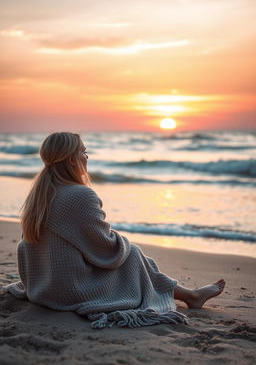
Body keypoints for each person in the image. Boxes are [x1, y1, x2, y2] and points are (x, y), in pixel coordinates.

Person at [5, 132, 225, 329]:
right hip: (69, 292)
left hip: (42, 287)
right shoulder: (80, 195)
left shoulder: (39, 195)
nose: (87, 157)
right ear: (72, 159)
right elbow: (106, 249)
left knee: (131, 253)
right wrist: (126, 244)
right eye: (84, 151)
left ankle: (191, 295)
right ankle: (192, 296)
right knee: (133, 254)